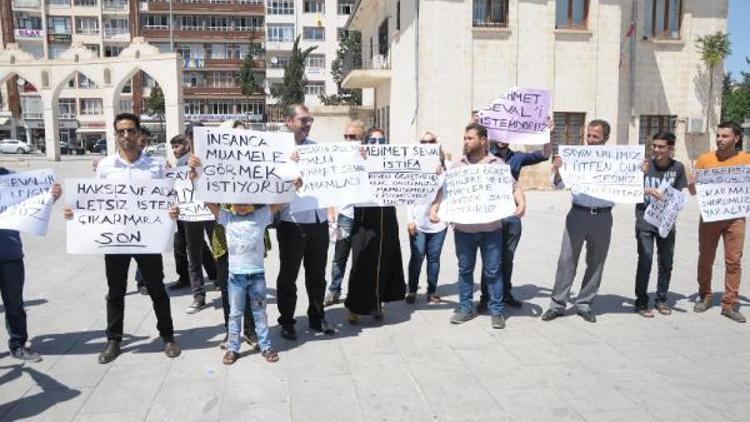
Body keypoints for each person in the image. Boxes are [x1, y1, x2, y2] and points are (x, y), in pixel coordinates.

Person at [65, 112, 181, 363]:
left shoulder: (156, 165)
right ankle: (114, 340)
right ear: (115, 135)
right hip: (115, 239)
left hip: (147, 238)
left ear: (139, 133)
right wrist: (75, 210)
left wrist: (173, 209)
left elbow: (170, 198)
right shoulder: (106, 166)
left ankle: (168, 336)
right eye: (121, 131)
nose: (126, 135)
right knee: (115, 291)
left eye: (130, 130)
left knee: (157, 289)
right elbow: (94, 199)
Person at [188, 155, 289, 365]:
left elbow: (282, 200)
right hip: (235, 277)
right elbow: (206, 199)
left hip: (257, 276)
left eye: (246, 201)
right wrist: (196, 179)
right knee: (235, 314)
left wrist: (293, 183)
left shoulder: (262, 216)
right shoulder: (226, 218)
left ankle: (265, 345)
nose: (242, 205)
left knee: (260, 312)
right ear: (230, 203)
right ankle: (233, 347)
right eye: (237, 201)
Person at [430, 124, 526, 329]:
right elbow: (444, 191)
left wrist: (522, 204)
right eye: (464, 138)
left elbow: (514, 187)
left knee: (493, 271)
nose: (466, 142)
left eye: (470, 138)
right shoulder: (458, 166)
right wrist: (435, 208)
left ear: (483, 140)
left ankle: (497, 311)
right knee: (465, 270)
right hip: (464, 232)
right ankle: (465, 308)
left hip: (491, 230)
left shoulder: (497, 164)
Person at [476, 121, 554, 311]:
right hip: (491, 214)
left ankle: (506, 293)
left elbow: (544, 155)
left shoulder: (518, 157)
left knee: (507, 257)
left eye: (507, 136)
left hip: (511, 214)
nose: (503, 140)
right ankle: (486, 297)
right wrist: (475, 125)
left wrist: (548, 134)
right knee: (490, 257)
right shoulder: (485, 155)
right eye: (499, 135)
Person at [542, 119, 614, 323]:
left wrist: (639, 172)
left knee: (596, 261)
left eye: (596, 137)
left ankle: (584, 303)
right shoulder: (575, 157)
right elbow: (557, 185)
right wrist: (556, 169)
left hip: (603, 217)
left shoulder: (616, 160)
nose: (591, 140)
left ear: (606, 139)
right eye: (589, 136)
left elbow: (630, 183)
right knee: (566, 260)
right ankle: (557, 304)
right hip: (578, 215)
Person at [276, 104, 335, 339]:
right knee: (288, 275)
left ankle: (317, 317)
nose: (308, 125)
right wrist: (289, 167)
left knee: (317, 275)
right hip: (292, 222)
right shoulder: (276, 149)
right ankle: (287, 321)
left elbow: (332, 178)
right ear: (289, 121)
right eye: (303, 120)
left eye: (310, 120)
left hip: (318, 221)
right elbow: (267, 185)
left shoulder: (316, 149)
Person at [688, 122, 749, 323]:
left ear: (736, 139)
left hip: (736, 218)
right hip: (710, 217)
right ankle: (705, 294)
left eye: (725, 136)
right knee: (706, 257)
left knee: (734, 261)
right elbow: (693, 191)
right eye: (718, 136)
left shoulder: (746, 160)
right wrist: (691, 182)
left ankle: (729, 304)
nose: (720, 140)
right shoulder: (705, 159)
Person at [345, 128, 407, 323]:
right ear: (366, 142)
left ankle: (377, 304)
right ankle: (354, 307)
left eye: (382, 141)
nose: (377, 145)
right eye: (373, 140)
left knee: (385, 260)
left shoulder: (391, 161)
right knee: (362, 262)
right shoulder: (357, 159)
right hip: (364, 218)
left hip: (387, 217)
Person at [0, 169, 62, 362]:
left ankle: (18, 345)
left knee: (15, 304)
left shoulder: (11, 178)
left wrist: (51, 195)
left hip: (9, 253)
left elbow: (37, 196)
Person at [633, 132, 688, 317]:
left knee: (666, 261)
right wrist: (645, 188)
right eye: (654, 146)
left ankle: (662, 299)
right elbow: (628, 189)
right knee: (646, 259)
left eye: (661, 147)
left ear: (670, 148)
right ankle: (641, 301)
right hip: (645, 219)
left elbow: (679, 196)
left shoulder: (678, 168)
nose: (656, 150)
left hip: (666, 221)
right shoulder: (644, 165)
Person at [169, 126, 218, 311]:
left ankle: (222, 282)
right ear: (188, 139)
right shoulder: (182, 162)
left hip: (212, 212)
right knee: (194, 255)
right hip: (191, 213)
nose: (195, 139)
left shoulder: (215, 157)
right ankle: (198, 296)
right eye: (192, 136)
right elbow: (175, 185)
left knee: (219, 250)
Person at [324, 120, 366, 307]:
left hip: (366, 216)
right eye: (346, 136)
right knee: (339, 257)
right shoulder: (337, 157)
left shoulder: (370, 157)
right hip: (345, 216)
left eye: (353, 137)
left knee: (361, 259)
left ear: (361, 138)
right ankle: (334, 291)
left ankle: (357, 294)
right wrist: (330, 212)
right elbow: (329, 184)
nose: (348, 140)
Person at [406, 132, 448, 304]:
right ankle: (412, 290)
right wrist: (410, 219)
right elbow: (408, 195)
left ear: (436, 143)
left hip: (439, 222)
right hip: (418, 221)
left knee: (434, 258)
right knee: (417, 256)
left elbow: (447, 193)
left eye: (431, 141)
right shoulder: (412, 166)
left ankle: (432, 291)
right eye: (424, 141)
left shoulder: (447, 167)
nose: (427, 144)